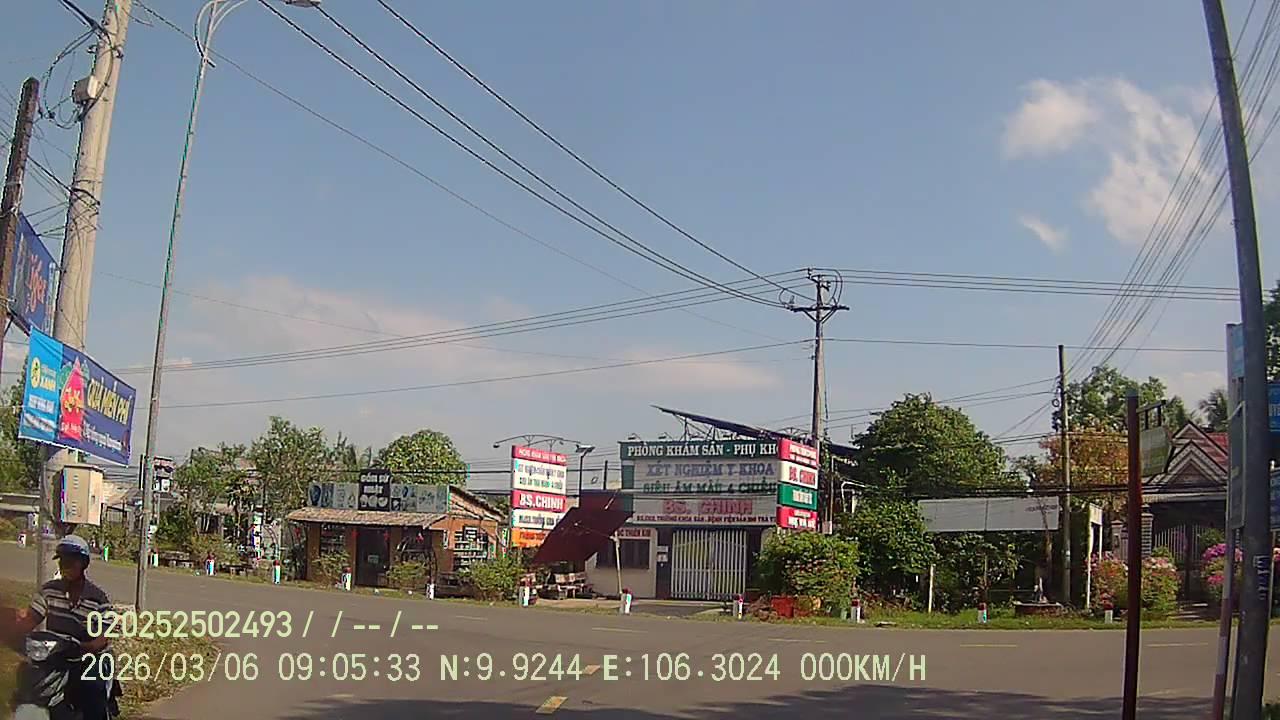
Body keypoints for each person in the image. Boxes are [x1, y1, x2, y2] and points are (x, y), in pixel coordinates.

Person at [9, 534, 115, 718]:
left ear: (83, 563)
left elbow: (102, 639)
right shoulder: (49, 591)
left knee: (93, 690)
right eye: (62, 561)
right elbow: (30, 619)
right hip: (54, 655)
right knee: (26, 685)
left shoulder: (98, 599)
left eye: (71, 561)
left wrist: (84, 647)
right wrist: (12, 634)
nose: (65, 565)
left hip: (88, 658)